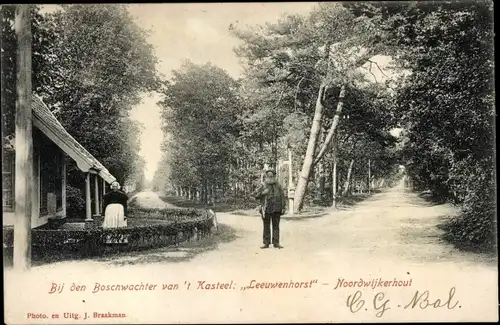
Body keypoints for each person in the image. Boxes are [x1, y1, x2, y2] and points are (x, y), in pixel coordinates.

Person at [253, 169, 286, 249]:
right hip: (266, 208)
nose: (270, 177)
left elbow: (282, 197)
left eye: (272, 176)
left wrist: (283, 207)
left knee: (276, 226)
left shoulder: (278, 185)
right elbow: (255, 196)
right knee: (266, 226)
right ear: (266, 176)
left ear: (274, 176)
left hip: (276, 208)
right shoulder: (263, 185)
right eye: (268, 176)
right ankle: (266, 243)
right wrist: (262, 193)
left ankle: (276, 243)